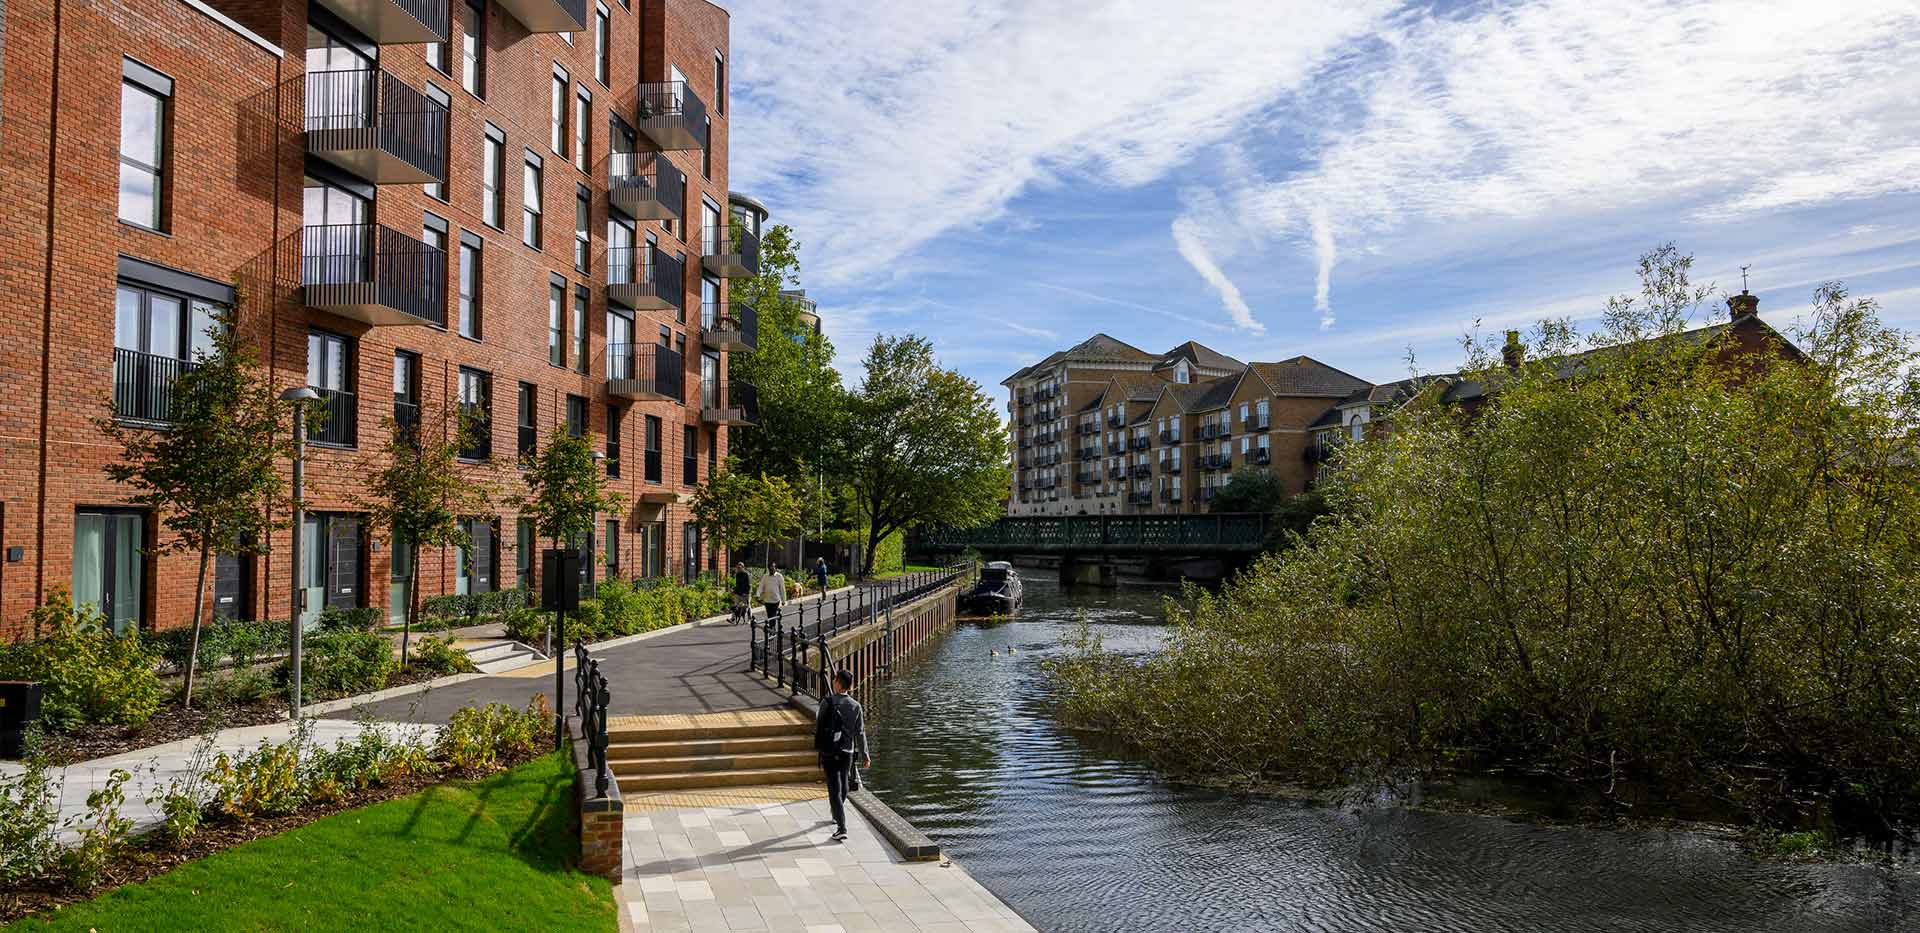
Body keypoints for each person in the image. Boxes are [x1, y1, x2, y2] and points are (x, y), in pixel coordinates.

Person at [814, 668, 870, 841]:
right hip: (847, 752)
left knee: (834, 789)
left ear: (838, 682)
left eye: (834, 680)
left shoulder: (827, 702)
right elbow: (860, 733)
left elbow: (819, 725)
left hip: (829, 751)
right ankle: (837, 812)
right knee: (844, 785)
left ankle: (842, 827)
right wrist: (865, 755)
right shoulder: (855, 706)